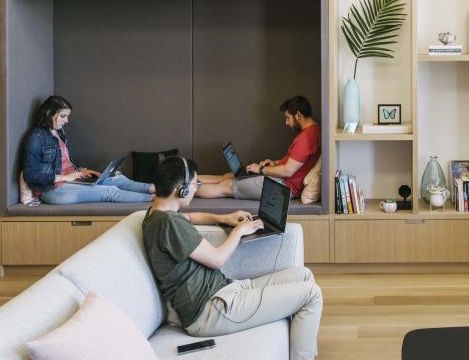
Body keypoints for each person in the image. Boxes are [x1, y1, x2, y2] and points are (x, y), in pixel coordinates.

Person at [142, 156, 322, 359]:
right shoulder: (168, 224)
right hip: (211, 311)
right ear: (180, 189)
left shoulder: (156, 215)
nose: (196, 188)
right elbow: (217, 259)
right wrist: (239, 230)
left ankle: (305, 351)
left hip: (223, 290)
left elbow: (191, 217)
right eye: (194, 184)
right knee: (311, 294)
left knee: (304, 275)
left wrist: (223, 217)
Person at [21, 95, 154, 204]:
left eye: (67, 116)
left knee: (117, 180)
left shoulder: (58, 132)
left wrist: (81, 171)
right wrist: (66, 177)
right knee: (109, 190)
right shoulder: (36, 137)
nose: (66, 121)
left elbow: (64, 163)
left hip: (70, 180)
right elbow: (30, 175)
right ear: (50, 114)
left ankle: (157, 189)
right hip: (53, 190)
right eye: (63, 116)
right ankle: (156, 199)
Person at [197, 96, 321, 201]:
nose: (286, 123)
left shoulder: (305, 138)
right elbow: (295, 162)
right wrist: (274, 163)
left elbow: (288, 171)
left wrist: (261, 169)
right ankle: (187, 179)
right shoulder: (315, 130)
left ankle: (183, 191)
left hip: (284, 187)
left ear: (298, 115)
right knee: (229, 176)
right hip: (281, 180)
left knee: (226, 185)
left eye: (288, 118)